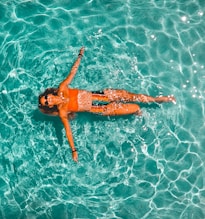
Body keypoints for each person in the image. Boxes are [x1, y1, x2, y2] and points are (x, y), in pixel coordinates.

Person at [38, 47, 176, 162]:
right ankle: (136, 112)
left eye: (46, 98)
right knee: (136, 107)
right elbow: (68, 131)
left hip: (104, 95)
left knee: (133, 96)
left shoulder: (63, 88)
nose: (48, 100)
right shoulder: (63, 111)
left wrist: (79, 56)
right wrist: (74, 150)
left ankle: (158, 99)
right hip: (103, 108)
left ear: (49, 94)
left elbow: (72, 73)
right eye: (46, 102)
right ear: (49, 106)